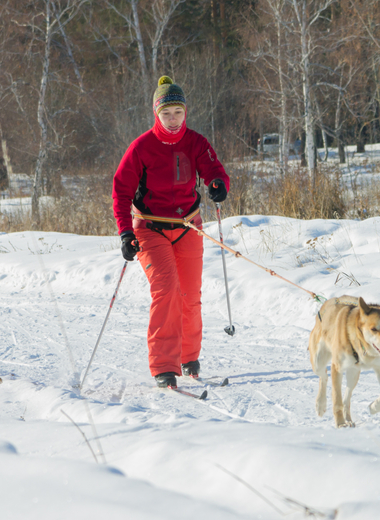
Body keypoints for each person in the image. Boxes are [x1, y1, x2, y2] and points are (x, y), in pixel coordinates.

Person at [112, 76, 230, 389]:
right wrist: (125, 232)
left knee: (190, 296)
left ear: (185, 112)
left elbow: (214, 171)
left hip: (188, 225)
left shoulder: (196, 142)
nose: (174, 120)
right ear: (156, 114)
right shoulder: (142, 147)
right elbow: (121, 190)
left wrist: (218, 184)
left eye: (178, 112)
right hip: (150, 228)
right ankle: (164, 366)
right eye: (167, 114)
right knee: (166, 290)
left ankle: (188, 356)